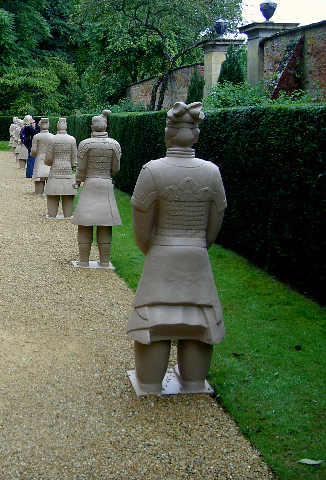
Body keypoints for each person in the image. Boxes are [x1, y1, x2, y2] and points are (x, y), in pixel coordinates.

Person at [126, 101, 227, 394]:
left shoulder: (152, 171)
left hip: (161, 254)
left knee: (154, 322)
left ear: (168, 133)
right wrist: (196, 246)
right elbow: (213, 226)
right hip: (196, 256)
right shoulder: (211, 172)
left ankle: (149, 382)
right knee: (198, 319)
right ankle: (194, 382)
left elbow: (141, 228)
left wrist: (154, 250)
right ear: (195, 134)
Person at [72, 110, 122, 267]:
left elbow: (81, 168)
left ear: (93, 126)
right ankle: (105, 260)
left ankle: (84, 259)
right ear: (105, 125)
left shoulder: (85, 144)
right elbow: (116, 169)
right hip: (106, 184)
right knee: (104, 222)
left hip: (90, 184)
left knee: (85, 222)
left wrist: (78, 181)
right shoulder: (114, 145)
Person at [44, 117, 77, 218]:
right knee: (68, 192)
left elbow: (48, 159)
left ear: (57, 125)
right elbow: (74, 158)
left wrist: (49, 163)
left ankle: (52, 214)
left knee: (53, 192)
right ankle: (67, 215)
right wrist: (73, 165)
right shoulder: (72, 140)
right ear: (66, 126)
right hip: (67, 170)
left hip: (55, 169)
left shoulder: (52, 139)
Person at [30, 117, 53, 195]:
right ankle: (49, 192)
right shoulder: (52, 137)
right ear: (48, 126)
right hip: (49, 159)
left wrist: (32, 154)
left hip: (40, 158)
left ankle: (39, 193)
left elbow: (34, 151)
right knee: (50, 176)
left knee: (39, 177)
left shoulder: (37, 137)